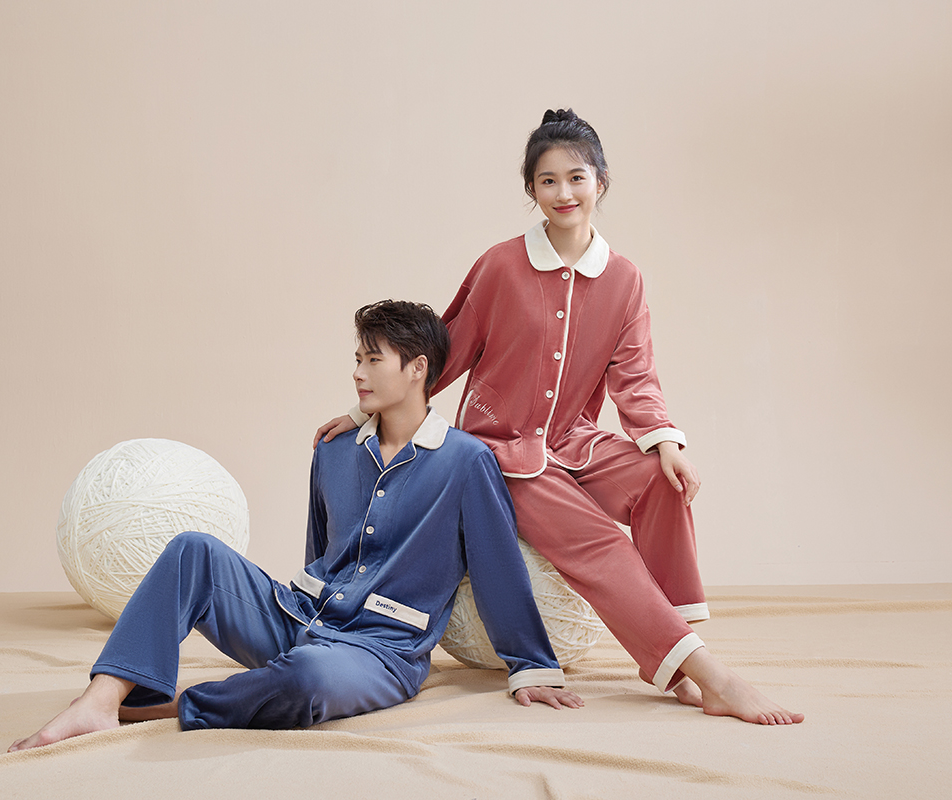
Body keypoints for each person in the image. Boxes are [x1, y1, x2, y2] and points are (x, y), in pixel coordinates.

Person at [316, 110, 803, 725]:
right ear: (531, 189)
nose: (564, 193)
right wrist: (365, 410)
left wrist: (665, 442)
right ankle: (715, 678)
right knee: (602, 544)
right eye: (547, 181)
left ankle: (679, 664)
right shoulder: (500, 266)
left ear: (601, 180)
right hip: (501, 451)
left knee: (662, 483)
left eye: (576, 177)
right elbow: (440, 352)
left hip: (574, 442)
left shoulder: (624, 278)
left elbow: (635, 373)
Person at [9, 300, 581, 752]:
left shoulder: (465, 462)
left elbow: (497, 566)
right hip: (299, 617)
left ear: (417, 369)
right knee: (192, 550)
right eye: (356, 359)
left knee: (308, 676)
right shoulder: (333, 450)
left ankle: (176, 705)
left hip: (380, 653)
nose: (357, 373)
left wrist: (531, 665)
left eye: (372, 360)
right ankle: (100, 700)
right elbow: (321, 550)